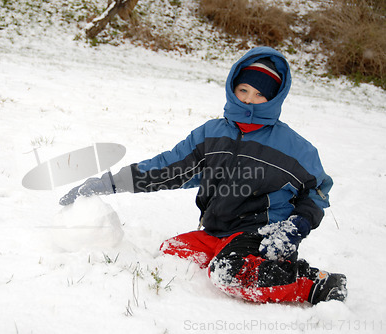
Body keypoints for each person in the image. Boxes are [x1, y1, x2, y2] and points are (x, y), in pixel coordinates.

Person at [59, 46, 347, 305]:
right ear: (232, 87)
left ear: (273, 99)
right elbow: (166, 168)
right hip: (215, 230)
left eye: (260, 95)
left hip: (262, 234)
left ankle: (314, 284)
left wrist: (296, 226)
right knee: (172, 253)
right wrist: (108, 183)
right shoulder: (211, 134)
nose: (249, 101)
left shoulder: (294, 148)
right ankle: (228, 257)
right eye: (244, 90)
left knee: (229, 274)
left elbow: (317, 190)